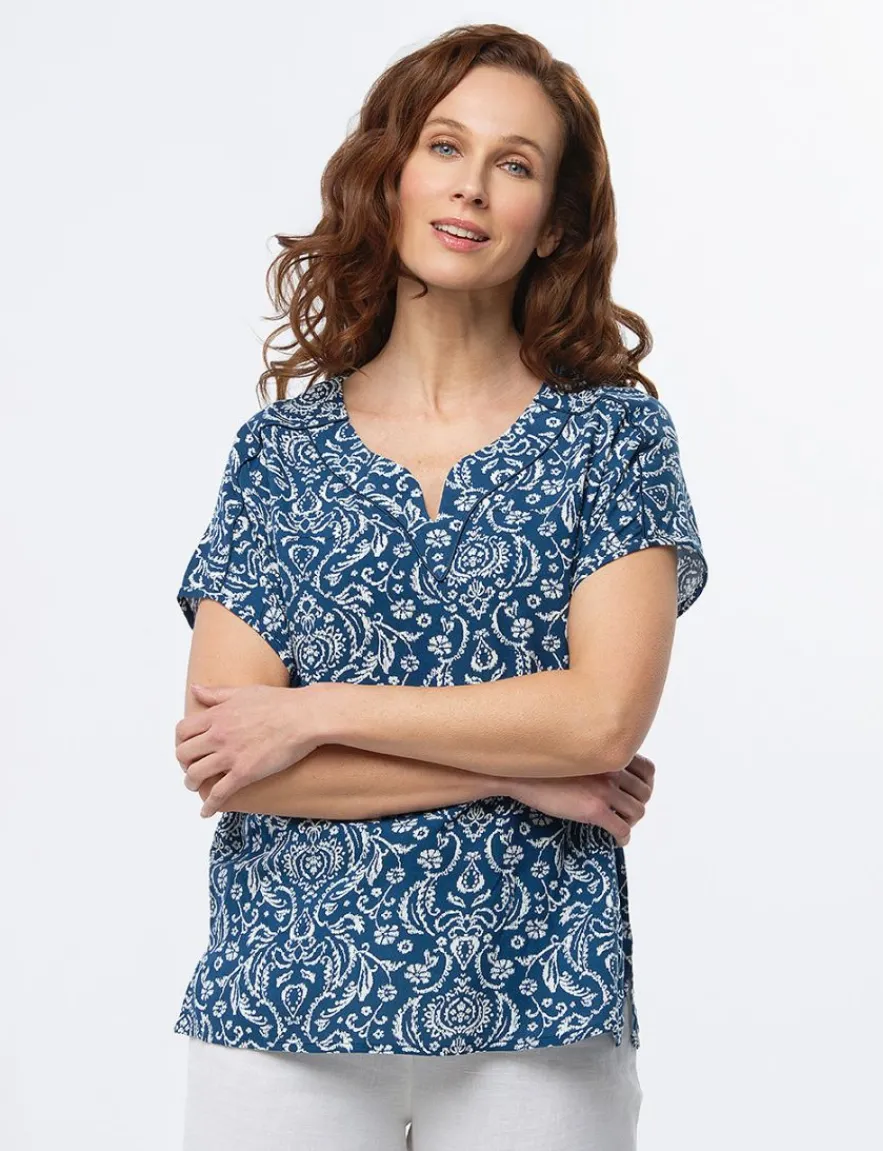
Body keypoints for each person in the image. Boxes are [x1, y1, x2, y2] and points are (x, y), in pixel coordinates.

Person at [172, 22, 709, 1151]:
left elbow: (601, 720)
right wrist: (517, 773)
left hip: (540, 1008)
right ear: (393, 173)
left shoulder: (614, 439)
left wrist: (316, 710)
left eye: (515, 163)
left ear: (553, 219)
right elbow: (232, 762)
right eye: (445, 146)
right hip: (281, 1008)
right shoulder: (280, 454)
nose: (471, 186)